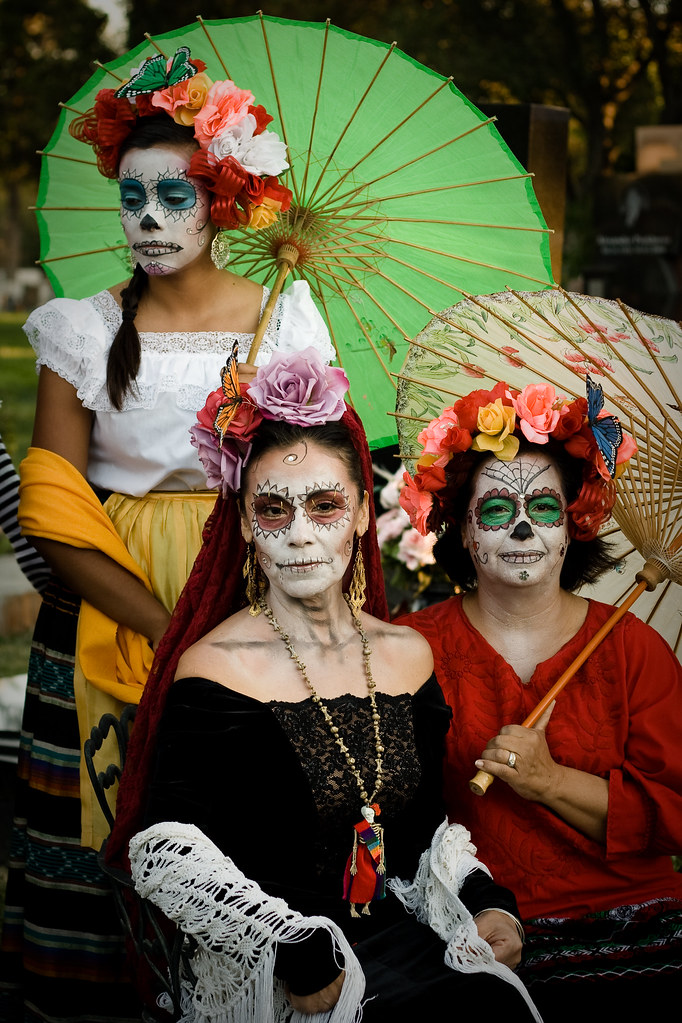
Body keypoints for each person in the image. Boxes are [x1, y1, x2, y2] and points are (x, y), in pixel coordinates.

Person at [0, 48, 333, 1023]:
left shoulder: (283, 320)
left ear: (222, 200)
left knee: (246, 835)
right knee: (106, 821)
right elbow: (54, 505)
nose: (149, 218)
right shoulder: (81, 330)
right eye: (133, 196)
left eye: (175, 196)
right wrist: (169, 629)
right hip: (114, 596)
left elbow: (317, 481)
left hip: (254, 591)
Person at [106, 350, 542, 1021]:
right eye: (274, 509)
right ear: (247, 524)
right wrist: (285, 943)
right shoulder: (217, 667)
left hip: (395, 934)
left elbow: (423, 829)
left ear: (366, 514)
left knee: (488, 1004)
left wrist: (486, 900)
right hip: (271, 958)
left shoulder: (406, 655)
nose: (302, 534)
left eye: (325, 504)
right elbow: (167, 849)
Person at [398, 379, 682, 1021]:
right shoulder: (408, 650)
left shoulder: (633, 649)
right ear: (464, 533)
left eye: (545, 509)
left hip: (636, 926)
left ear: (574, 526)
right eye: (497, 510)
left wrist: (551, 782)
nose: (524, 527)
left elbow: (675, 814)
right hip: (477, 924)